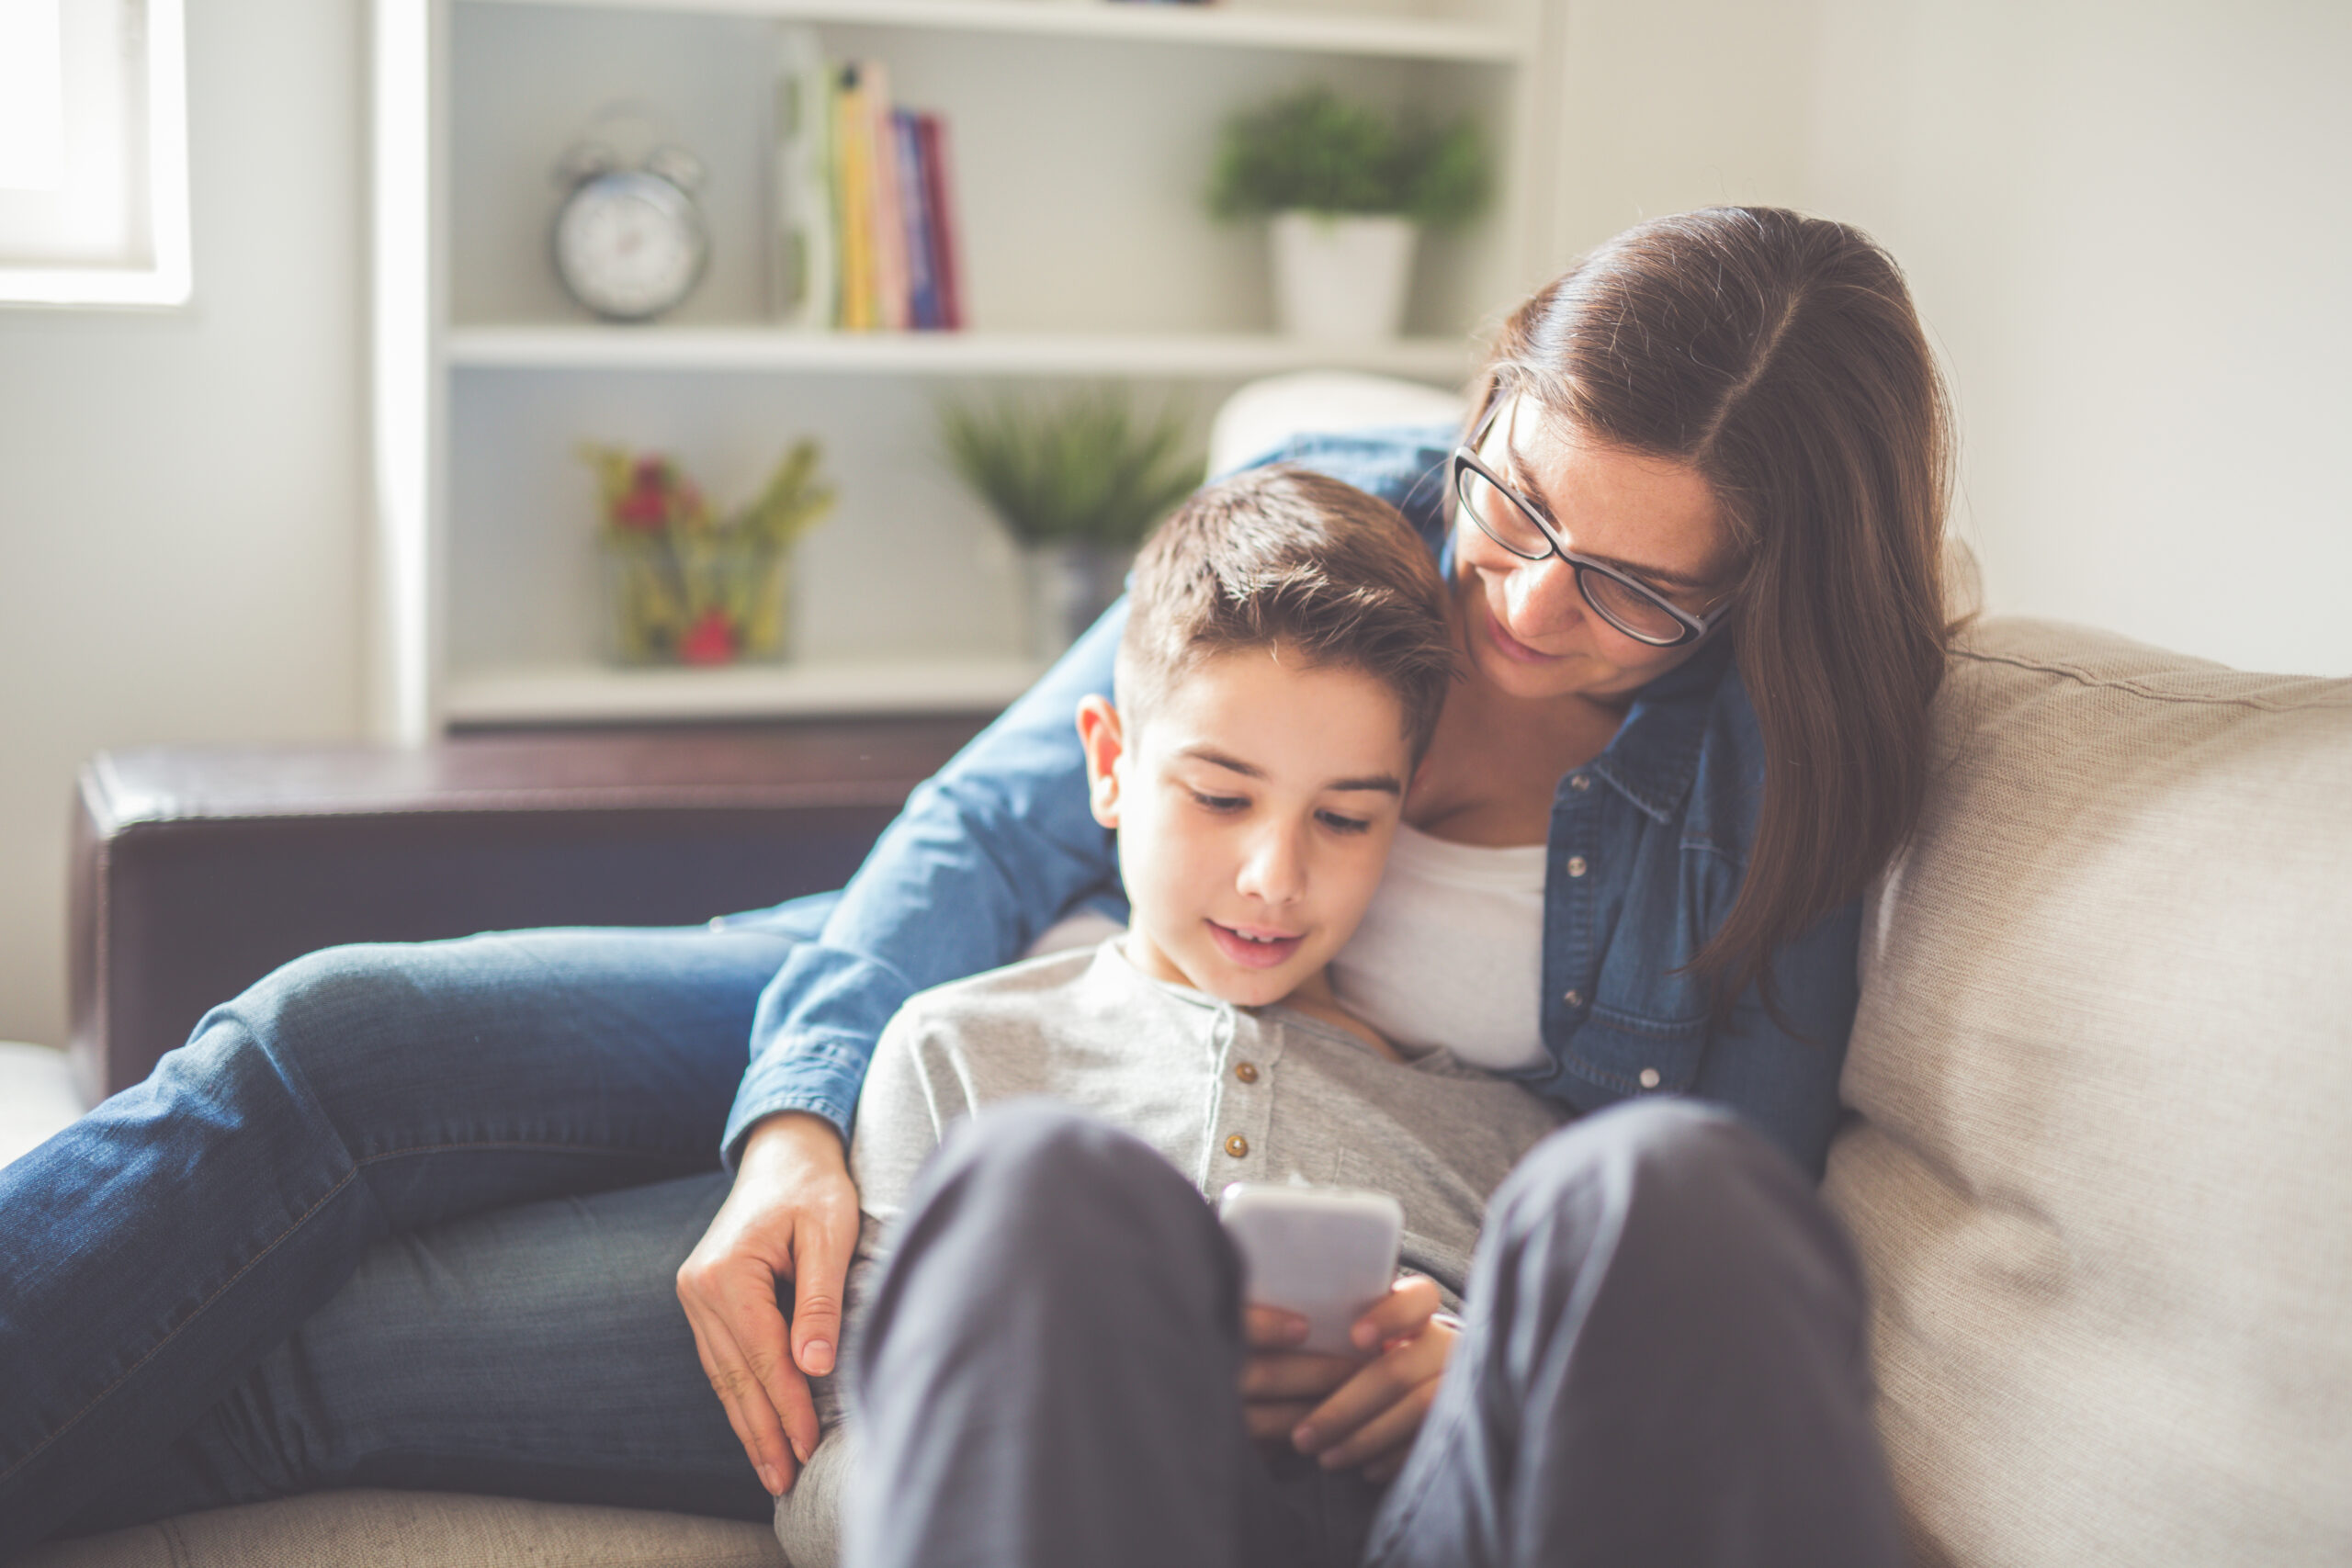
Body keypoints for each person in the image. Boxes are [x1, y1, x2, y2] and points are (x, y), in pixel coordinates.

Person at [0, 205, 1952, 1558]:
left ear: (1751, 588)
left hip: (1193, 1198)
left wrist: (1483, 1345)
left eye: (1623, 584)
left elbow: (1687, 1226)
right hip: (997, 1012)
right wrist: (796, 1118)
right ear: (1500, 392)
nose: (1515, 597)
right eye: (1520, 496)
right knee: (326, 1037)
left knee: (301, 1354)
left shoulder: (1774, 783)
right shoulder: (1357, 514)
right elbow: (981, 828)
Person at [769, 459, 1572, 1565]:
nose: (1272, 878)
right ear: (1110, 764)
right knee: (1041, 1179)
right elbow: (831, 1478)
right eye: (1221, 797)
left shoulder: (1504, 1137)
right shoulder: (954, 1049)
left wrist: (1485, 1395)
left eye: (1341, 819)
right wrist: (1033, 1406)